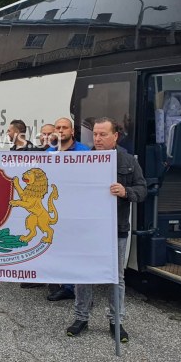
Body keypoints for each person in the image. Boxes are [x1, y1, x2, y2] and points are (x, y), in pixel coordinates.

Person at [66, 117, 146, 343]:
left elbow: (142, 190)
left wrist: (125, 191)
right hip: (87, 229)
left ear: (115, 136)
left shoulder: (128, 161)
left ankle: (116, 322)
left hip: (115, 229)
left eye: (102, 135)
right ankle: (81, 317)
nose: (97, 139)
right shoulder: (83, 161)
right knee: (83, 275)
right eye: (95, 135)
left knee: (115, 277)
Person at [47, 117, 91, 301]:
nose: (61, 130)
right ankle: (66, 286)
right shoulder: (49, 152)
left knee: (77, 250)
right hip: (57, 207)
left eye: (65, 127)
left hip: (78, 208)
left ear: (72, 131)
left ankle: (80, 290)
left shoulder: (85, 151)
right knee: (60, 248)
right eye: (58, 127)